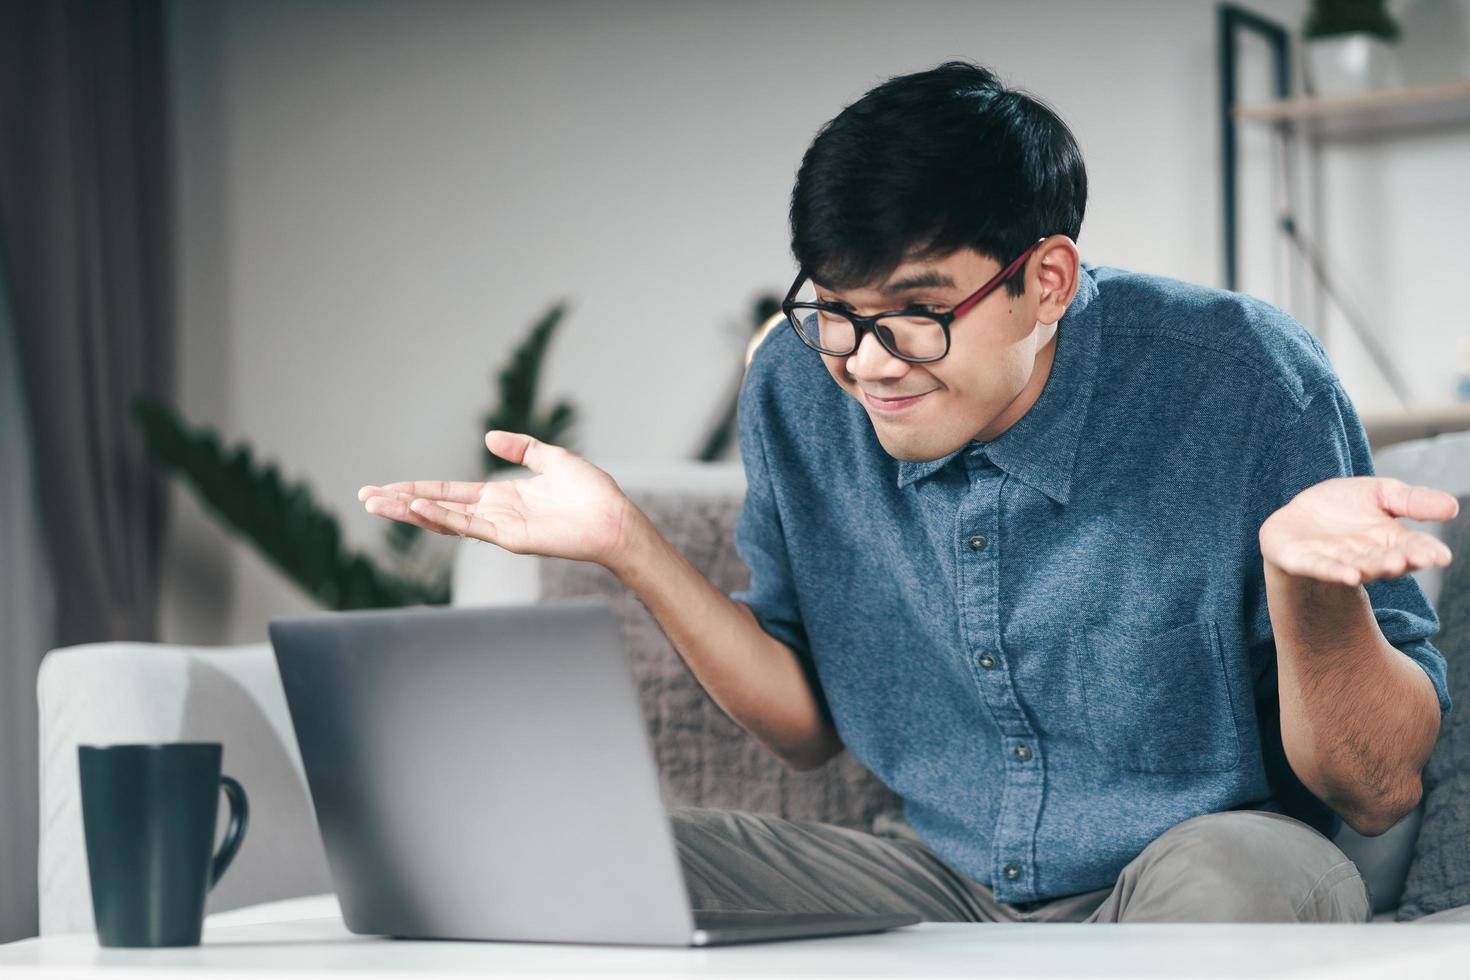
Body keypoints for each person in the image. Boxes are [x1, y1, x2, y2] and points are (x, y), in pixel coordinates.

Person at [358, 61, 1458, 923]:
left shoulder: (1243, 374)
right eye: (836, 308)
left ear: (1046, 280)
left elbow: (1379, 788)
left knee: (1231, 881)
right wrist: (630, 546)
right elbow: (802, 731)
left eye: (917, 309)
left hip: (1200, 860)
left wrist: (1303, 586)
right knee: (593, 858)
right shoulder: (803, 383)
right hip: (939, 879)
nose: (870, 360)